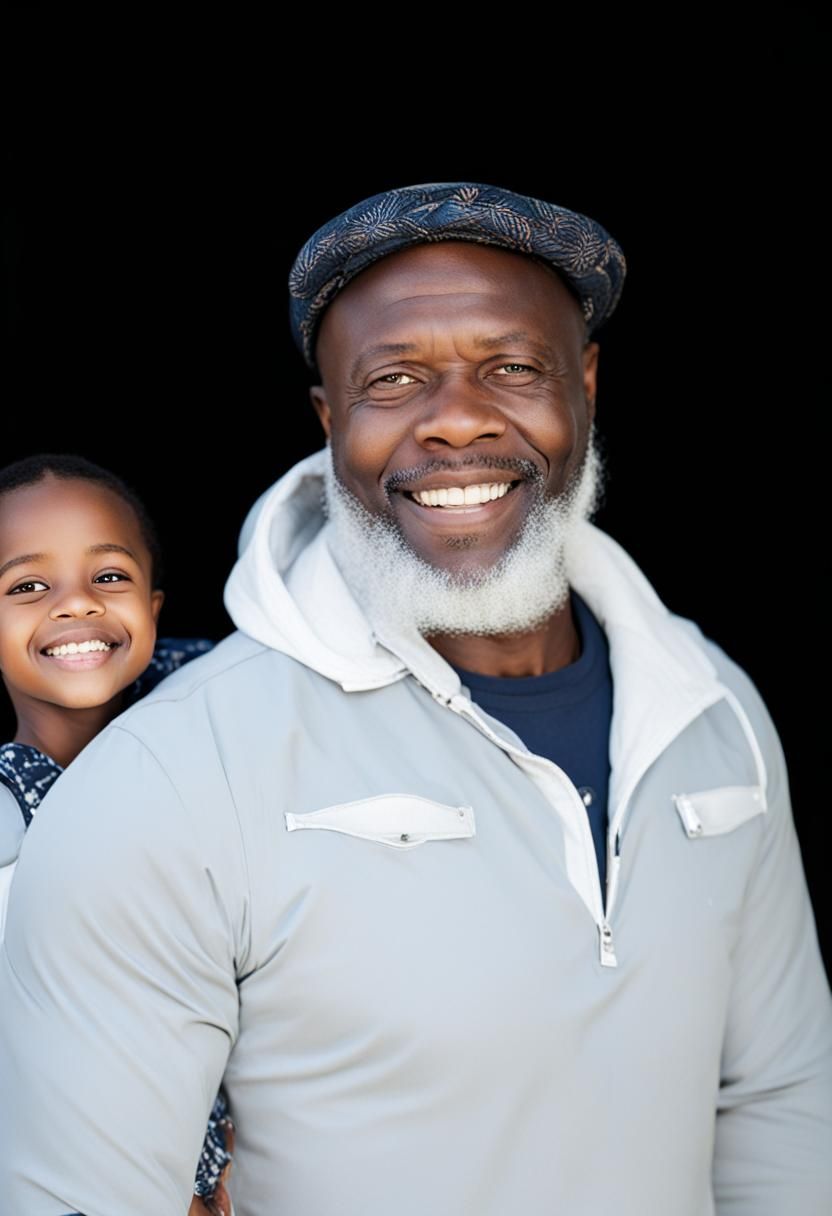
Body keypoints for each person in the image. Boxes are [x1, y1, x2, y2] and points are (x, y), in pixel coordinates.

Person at [1, 182, 830, 1215]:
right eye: (392, 380)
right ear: (329, 420)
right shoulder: (168, 777)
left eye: (512, 367)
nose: (457, 420)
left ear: (585, 382)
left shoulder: (713, 711)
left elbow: (779, 1104)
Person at [0, 453, 234, 1216]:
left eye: (108, 576)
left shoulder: (229, 733)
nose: (76, 604)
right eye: (27, 586)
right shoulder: (11, 829)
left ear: (154, 606)